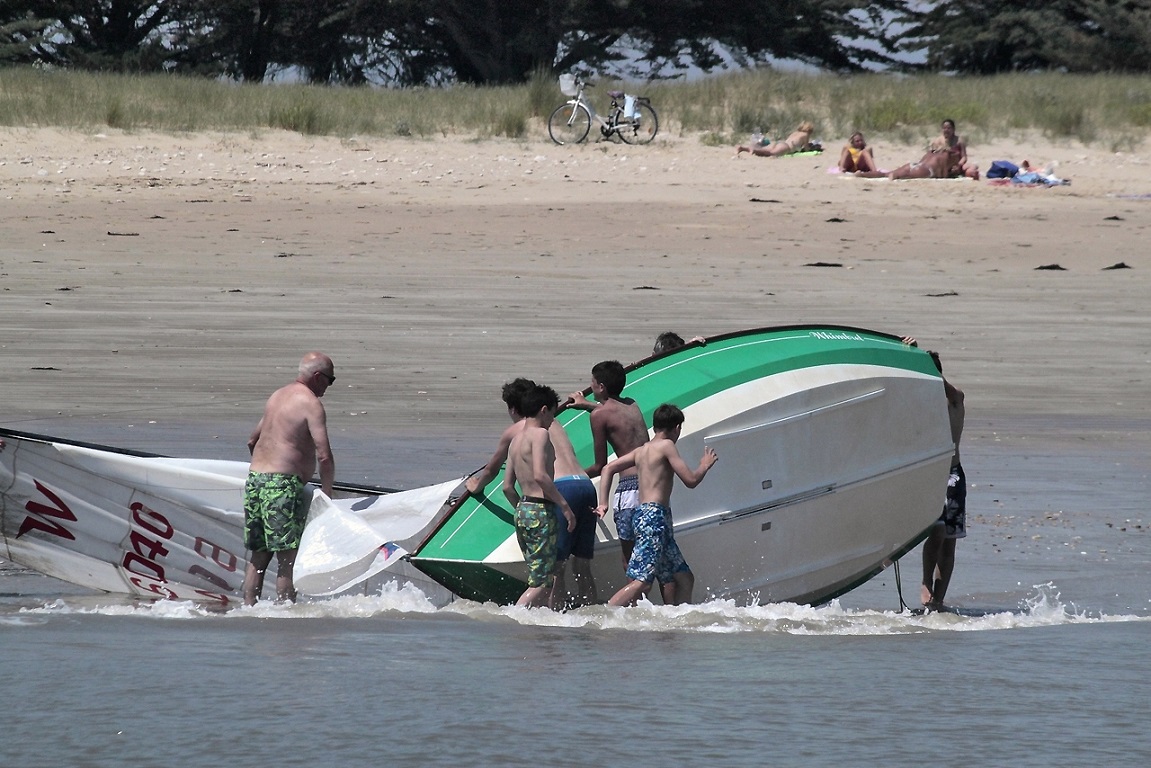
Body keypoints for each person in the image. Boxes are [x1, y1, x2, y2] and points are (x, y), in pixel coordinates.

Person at [468, 378, 599, 607]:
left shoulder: (518, 435)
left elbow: (495, 474)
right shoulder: (550, 425)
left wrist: (476, 486)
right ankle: (590, 613)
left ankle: (553, 616)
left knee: (554, 570)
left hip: (555, 492)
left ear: (513, 409)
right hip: (584, 485)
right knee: (581, 565)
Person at [594, 404, 718, 606]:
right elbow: (690, 480)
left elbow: (608, 468)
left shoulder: (642, 451)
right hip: (654, 518)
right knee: (641, 582)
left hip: (651, 517)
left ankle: (678, 622)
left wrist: (603, 503)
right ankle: (607, 613)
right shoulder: (667, 446)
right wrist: (704, 465)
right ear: (676, 428)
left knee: (684, 578)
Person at [242, 351, 336, 606]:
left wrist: (266, 465)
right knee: (287, 556)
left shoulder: (277, 396)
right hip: (281, 486)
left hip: (255, 480)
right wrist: (327, 496)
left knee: (258, 556)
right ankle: (285, 614)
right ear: (317, 377)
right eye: (330, 380)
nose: (329, 386)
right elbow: (324, 456)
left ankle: (249, 610)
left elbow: (252, 440)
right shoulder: (310, 403)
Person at [567, 360, 649, 569]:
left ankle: (635, 602)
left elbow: (599, 465)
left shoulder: (599, 415)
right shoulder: (632, 404)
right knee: (651, 553)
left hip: (630, 487)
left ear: (601, 386)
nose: (591, 385)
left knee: (629, 559)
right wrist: (587, 405)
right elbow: (614, 412)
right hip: (652, 482)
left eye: (593, 382)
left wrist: (571, 477)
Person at [502, 384, 576, 609]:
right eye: (552, 414)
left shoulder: (516, 440)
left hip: (523, 509)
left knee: (539, 576)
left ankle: (538, 633)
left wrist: (524, 511)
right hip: (540, 509)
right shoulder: (540, 434)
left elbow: (507, 487)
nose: (553, 420)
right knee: (543, 582)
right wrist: (565, 507)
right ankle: (516, 617)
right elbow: (541, 476)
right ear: (544, 409)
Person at [907, 340, 966, 611]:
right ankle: (925, 583)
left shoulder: (954, 400)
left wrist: (925, 363)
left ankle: (938, 601)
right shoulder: (919, 406)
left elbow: (954, 394)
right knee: (938, 531)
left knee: (950, 540)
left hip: (953, 476)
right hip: (931, 477)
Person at [736, 121, 814, 158]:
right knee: (771, 153)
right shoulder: (805, 135)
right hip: (786, 147)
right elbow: (806, 148)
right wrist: (810, 148)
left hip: (780, 143)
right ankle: (753, 150)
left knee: (764, 149)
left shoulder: (795, 132)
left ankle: (743, 148)